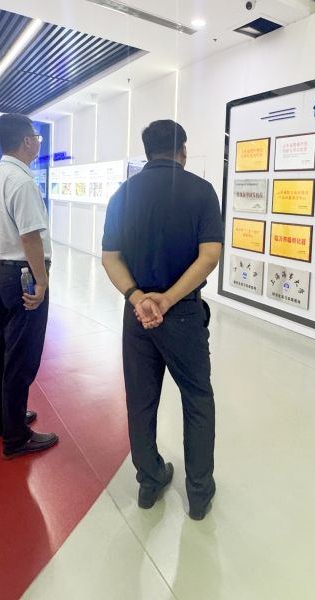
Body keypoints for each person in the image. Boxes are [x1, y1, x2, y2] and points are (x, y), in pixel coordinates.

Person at [101, 119, 224, 520]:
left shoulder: (123, 194)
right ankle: (199, 493)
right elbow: (209, 255)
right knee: (197, 399)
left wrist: (138, 298)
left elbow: (110, 257)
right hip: (183, 313)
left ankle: (149, 480)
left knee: (140, 399)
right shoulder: (201, 191)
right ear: (182, 150)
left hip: (137, 316)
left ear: (147, 151)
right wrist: (168, 299)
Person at [0, 113, 58, 459]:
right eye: (36, 137)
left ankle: (1, 419)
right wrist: (41, 281)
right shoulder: (22, 181)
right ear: (27, 141)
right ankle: (16, 437)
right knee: (21, 357)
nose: (38, 143)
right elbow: (30, 237)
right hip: (24, 275)